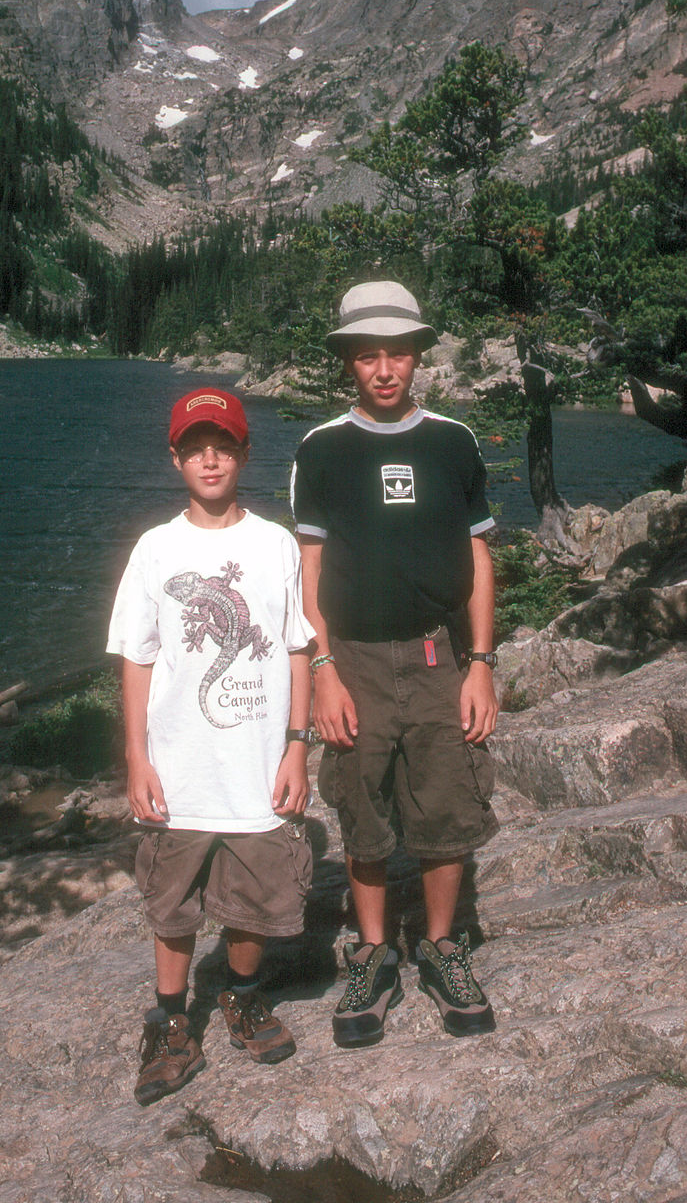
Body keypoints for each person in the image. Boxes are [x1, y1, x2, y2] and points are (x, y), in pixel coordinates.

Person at [290, 280, 500, 1049]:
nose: (384, 369)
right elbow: (306, 570)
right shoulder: (323, 449)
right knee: (362, 809)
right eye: (368, 354)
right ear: (350, 360)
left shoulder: (453, 441)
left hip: (438, 654)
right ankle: (374, 955)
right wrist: (322, 669)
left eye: (398, 353)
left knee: (446, 809)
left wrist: (480, 662)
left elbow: (477, 556)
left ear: (417, 356)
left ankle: (443, 949)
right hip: (355, 662)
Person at [107, 387, 315, 1104]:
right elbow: (135, 658)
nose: (209, 458)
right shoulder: (157, 551)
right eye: (195, 446)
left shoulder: (273, 544)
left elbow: (295, 647)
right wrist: (136, 756)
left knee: (255, 895)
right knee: (172, 901)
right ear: (175, 459)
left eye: (223, 445)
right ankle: (171, 1021)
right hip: (180, 769)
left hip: (258, 764)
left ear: (245, 454)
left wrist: (297, 745)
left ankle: (242, 994)